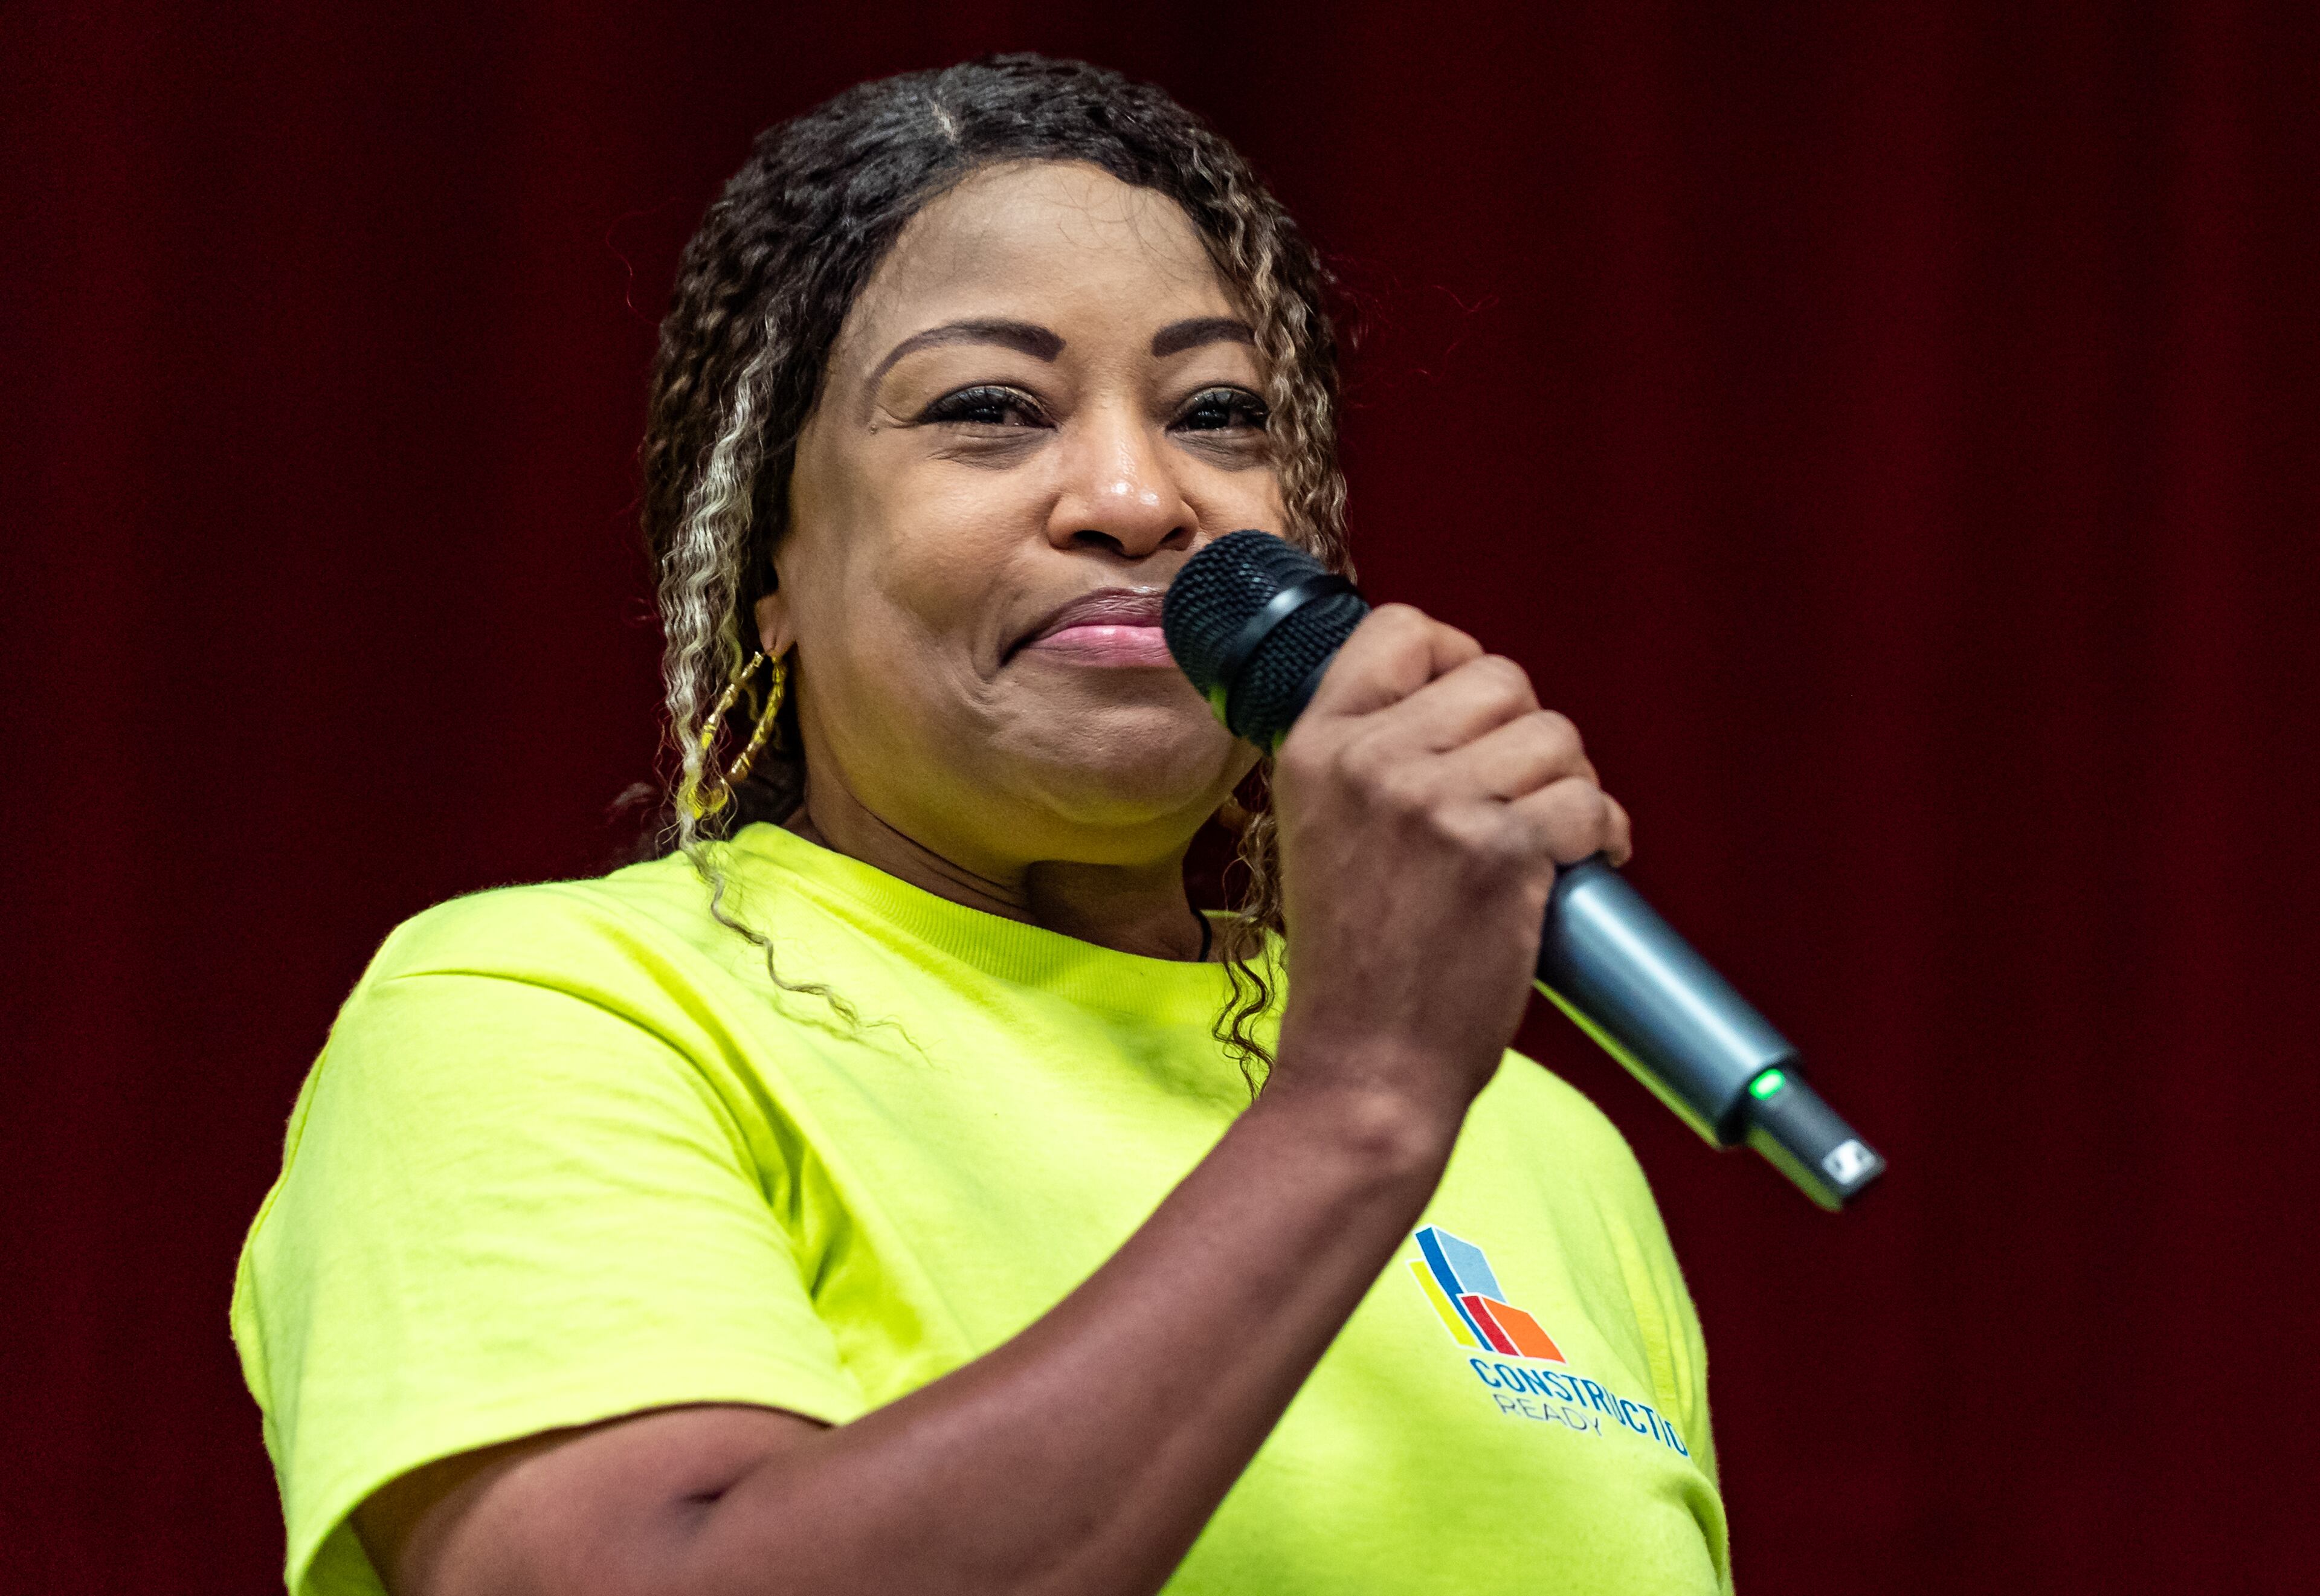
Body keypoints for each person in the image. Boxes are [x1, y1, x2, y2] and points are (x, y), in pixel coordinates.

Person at [232, 55, 1731, 1596]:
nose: (1141, 496)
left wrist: (1392, 1083)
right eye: (990, 410)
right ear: (773, 568)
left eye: (1219, 413)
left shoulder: (1540, 1140)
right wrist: (1356, 1104)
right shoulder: (545, 1014)